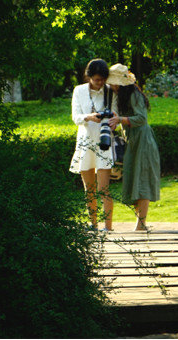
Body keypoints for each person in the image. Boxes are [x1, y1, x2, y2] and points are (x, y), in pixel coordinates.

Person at [107, 63, 160, 231]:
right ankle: (140, 223)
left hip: (142, 140)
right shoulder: (120, 96)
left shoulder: (134, 95)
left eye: (113, 83)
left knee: (142, 178)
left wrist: (120, 120)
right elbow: (119, 114)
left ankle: (141, 224)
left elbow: (141, 118)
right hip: (132, 140)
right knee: (134, 179)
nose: (112, 86)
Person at [70, 59, 116, 231]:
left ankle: (108, 226)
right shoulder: (79, 91)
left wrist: (114, 119)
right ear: (88, 77)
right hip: (85, 142)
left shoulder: (111, 91)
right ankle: (93, 225)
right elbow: (75, 117)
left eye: (102, 79)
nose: (99, 82)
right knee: (88, 188)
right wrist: (88, 116)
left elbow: (115, 118)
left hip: (104, 142)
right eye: (96, 79)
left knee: (104, 188)